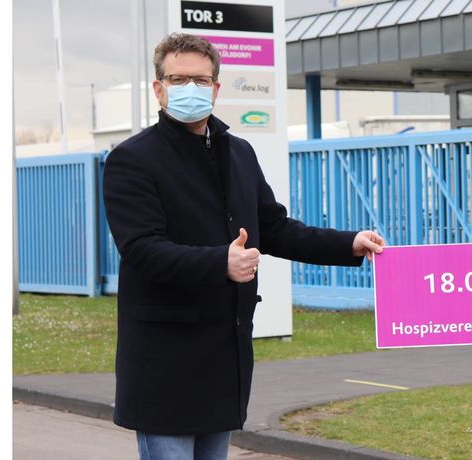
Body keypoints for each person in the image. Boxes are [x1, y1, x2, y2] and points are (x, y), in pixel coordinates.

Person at [102, 33, 386, 460]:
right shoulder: (133, 159)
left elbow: (274, 228)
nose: (190, 89)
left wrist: (348, 243)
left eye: (201, 80)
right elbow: (141, 249)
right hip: (165, 365)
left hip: (224, 359)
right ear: (159, 88)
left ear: (216, 88)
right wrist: (222, 262)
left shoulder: (239, 153)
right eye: (178, 79)